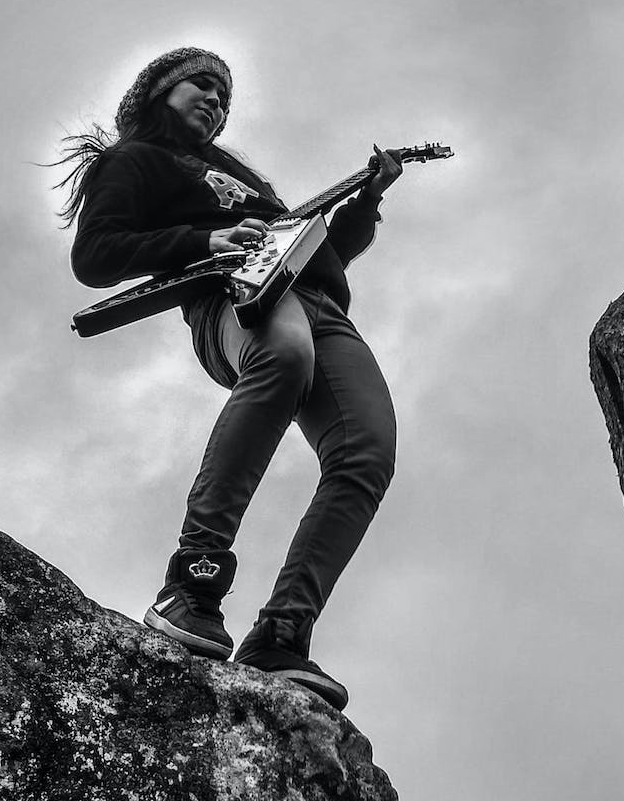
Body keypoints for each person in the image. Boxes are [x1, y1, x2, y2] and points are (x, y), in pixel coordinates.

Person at [57, 47, 403, 711]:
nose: (215, 100)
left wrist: (367, 201)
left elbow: (326, 253)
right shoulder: (134, 162)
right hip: (230, 303)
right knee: (286, 357)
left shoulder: (247, 183)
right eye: (202, 84)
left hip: (319, 304)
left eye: (225, 96)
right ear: (159, 91)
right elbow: (96, 256)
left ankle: (281, 634)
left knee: (368, 450)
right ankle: (192, 585)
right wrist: (200, 241)